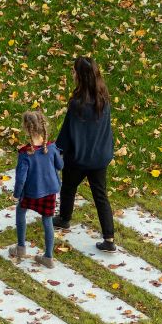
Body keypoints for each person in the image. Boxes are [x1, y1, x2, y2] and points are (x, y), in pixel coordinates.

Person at [53, 56, 116, 251]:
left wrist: (58, 151)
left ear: (80, 76)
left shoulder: (77, 104)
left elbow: (67, 132)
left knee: (68, 187)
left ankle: (64, 218)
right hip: (99, 158)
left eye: (74, 71)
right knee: (100, 195)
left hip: (78, 159)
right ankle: (109, 238)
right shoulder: (103, 99)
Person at [10, 110, 63, 268]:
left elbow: (21, 179)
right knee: (47, 221)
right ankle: (48, 257)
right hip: (50, 191)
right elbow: (60, 166)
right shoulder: (52, 148)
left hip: (31, 192)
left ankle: (21, 247)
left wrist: (16, 194)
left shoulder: (25, 154)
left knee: (21, 211)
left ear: (26, 128)